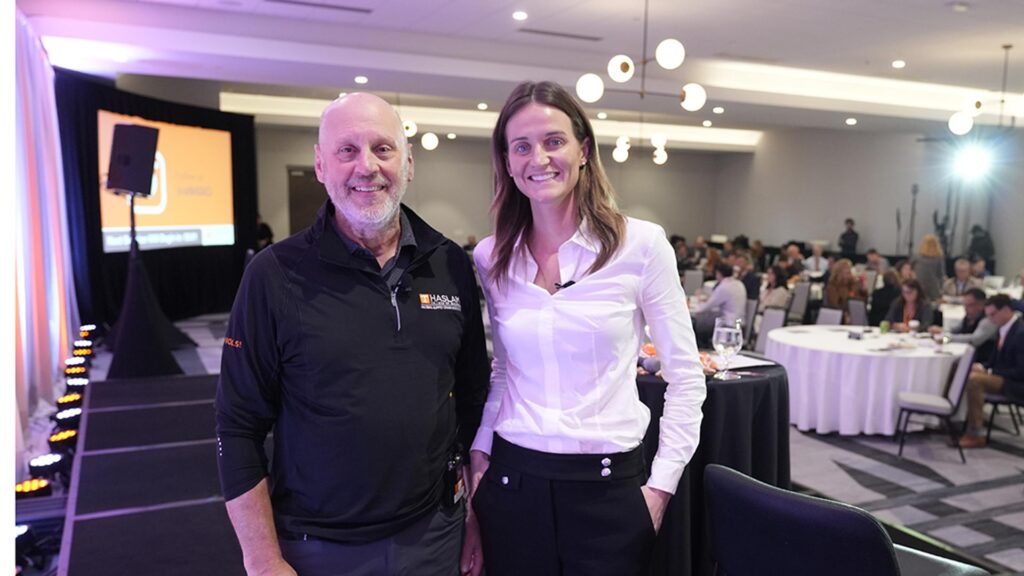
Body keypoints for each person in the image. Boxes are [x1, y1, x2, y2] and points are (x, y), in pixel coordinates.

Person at [215, 94, 491, 576]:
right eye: (347, 151)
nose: (367, 167)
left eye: (383, 149)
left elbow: (472, 402)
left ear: (408, 163)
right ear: (321, 165)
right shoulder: (273, 275)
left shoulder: (450, 266)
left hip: (434, 538)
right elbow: (237, 427)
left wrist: (474, 518)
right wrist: (261, 558)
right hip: (318, 549)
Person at [469, 80, 707, 576]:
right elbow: (503, 372)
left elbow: (686, 378)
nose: (539, 157)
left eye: (554, 141)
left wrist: (658, 490)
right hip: (512, 485)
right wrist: (479, 457)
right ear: (508, 163)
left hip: (609, 492)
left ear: (583, 150)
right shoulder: (491, 256)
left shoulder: (640, 246)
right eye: (522, 146)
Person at [958, 294, 1024, 448]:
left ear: (1007, 310)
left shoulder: (1020, 333)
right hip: (1003, 376)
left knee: (975, 380)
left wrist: (990, 372)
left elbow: (1021, 371)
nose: (991, 319)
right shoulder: (1003, 329)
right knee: (964, 369)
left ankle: (975, 433)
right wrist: (983, 367)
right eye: (988, 316)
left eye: (993, 315)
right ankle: (954, 419)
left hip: (1016, 383)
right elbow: (994, 361)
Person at [929, 288, 998, 361]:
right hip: (964, 356)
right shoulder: (970, 317)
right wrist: (942, 331)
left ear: (981, 305)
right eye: (965, 305)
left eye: (970, 305)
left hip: (980, 362)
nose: (965, 308)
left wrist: (947, 338)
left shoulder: (988, 320)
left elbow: (974, 340)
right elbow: (955, 330)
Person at [912, 233, 945, 302]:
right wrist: (941, 289)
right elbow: (941, 275)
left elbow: (911, 270)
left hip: (918, 286)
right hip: (933, 289)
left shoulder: (916, 257)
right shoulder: (938, 258)